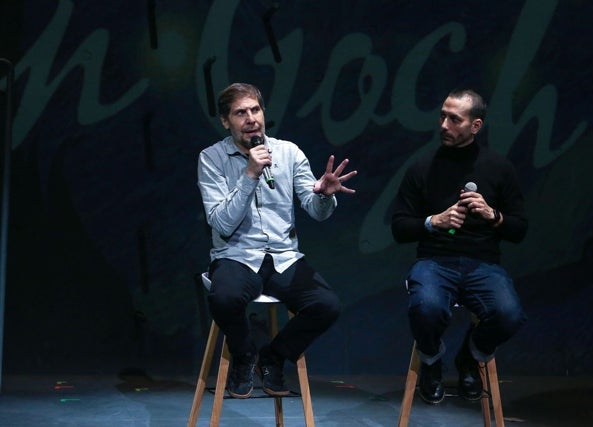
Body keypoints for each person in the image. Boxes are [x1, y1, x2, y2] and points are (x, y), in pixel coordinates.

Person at [197, 83, 357, 398]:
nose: (251, 118)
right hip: (236, 256)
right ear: (226, 121)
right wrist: (250, 174)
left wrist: (324, 196)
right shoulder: (211, 158)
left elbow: (316, 211)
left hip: (284, 258)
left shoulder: (288, 152)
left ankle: (274, 356)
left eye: (255, 110)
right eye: (240, 113)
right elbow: (222, 224)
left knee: (327, 305)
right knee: (223, 298)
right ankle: (243, 355)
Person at [391, 88, 528, 404]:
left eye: (454, 119)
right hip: (435, 261)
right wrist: (433, 222)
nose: (443, 125)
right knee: (426, 308)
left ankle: (470, 357)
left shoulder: (499, 168)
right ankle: (431, 361)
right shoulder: (421, 167)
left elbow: (520, 229)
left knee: (509, 314)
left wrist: (493, 216)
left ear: (475, 126)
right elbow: (399, 227)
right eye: (442, 116)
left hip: (483, 264)